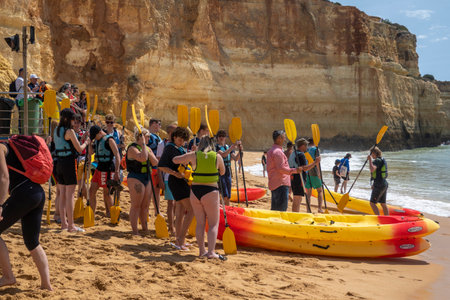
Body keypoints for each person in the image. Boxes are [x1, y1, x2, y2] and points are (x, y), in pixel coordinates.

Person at [0, 140, 53, 290]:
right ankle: (46, 285)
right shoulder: (8, 145)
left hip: (24, 193)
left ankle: (8, 276)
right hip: (37, 193)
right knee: (32, 241)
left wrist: (0, 205)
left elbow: (4, 178)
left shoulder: (0, 148)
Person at [173, 136, 226, 260]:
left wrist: (189, 154)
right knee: (213, 224)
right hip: (211, 192)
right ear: (213, 144)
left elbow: (175, 160)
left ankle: (202, 251)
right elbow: (222, 172)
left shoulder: (194, 155)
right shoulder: (217, 157)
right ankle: (211, 252)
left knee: (200, 223)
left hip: (195, 192)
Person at [53, 109, 90, 232]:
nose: (74, 121)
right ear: (68, 119)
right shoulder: (69, 131)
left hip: (59, 163)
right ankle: (71, 225)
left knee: (62, 195)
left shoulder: (56, 131)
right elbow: (79, 149)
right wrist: (86, 142)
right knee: (70, 196)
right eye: (73, 119)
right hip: (69, 163)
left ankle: (64, 223)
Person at [158, 127, 194, 250]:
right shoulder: (170, 148)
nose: (181, 142)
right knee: (191, 210)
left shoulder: (179, 148)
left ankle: (179, 240)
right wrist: (174, 173)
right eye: (179, 139)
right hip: (177, 181)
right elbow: (161, 166)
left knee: (180, 212)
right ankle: (180, 239)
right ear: (174, 137)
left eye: (183, 140)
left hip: (181, 181)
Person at [126, 127, 158, 235]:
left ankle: (145, 228)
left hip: (146, 177)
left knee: (145, 206)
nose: (149, 138)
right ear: (141, 137)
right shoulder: (132, 148)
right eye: (147, 136)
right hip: (135, 177)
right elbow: (143, 158)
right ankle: (135, 231)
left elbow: (155, 162)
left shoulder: (147, 148)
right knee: (136, 205)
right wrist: (144, 145)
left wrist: (146, 148)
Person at [88, 125, 121, 216]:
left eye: (95, 136)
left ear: (99, 132)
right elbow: (91, 152)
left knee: (107, 193)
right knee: (91, 191)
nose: (95, 139)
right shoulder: (97, 141)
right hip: (99, 167)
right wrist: (90, 142)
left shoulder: (109, 140)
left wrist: (117, 172)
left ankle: (113, 214)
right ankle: (91, 214)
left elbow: (117, 156)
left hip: (108, 168)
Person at [266, 130, 302, 211]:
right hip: (280, 184)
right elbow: (281, 168)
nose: (285, 139)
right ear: (279, 138)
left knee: (275, 210)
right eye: (284, 137)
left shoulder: (271, 151)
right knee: (281, 211)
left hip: (275, 183)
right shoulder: (278, 152)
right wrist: (295, 170)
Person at [156, 123, 177, 235]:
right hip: (168, 178)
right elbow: (159, 164)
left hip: (178, 177)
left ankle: (175, 224)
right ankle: (171, 227)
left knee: (178, 203)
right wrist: (160, 179)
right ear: (170, 133)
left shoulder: (178, 144)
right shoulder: (162, 144)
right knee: (170, 203)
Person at [288, 138, 320, 212]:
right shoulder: (301, 155)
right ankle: (295, 216)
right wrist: (315, 162)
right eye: (306, 145)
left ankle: (295, 214)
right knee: (298, 198)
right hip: (299, 178)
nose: (307, 147)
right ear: (302, 146)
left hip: (293, 177)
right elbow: (304, 168)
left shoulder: (293, 153)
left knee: (297, 197)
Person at [215, 130, 240, 206]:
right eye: (220, 136)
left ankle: (227, 208)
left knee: (228, 195)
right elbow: (223, 155)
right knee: (224, 194)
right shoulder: (216, 147)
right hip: (220, 171)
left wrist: (240, 151)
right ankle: (221, 209)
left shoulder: (227, 147)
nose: (221, 138)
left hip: (228, 171)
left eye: (223, 136)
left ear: (225, 137)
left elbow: (235, 158)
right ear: (217, 138)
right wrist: (232, 147)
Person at [147, 119, 162, 216]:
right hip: (150, 166)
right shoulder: (148, 137)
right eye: (159, 124)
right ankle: (146, 210)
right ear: (154, 124)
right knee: (149, 189)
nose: (160, 127)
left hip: (157, 167)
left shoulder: (156, 137)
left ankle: (157, 211)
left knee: (156, 189)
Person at [305, 138, 324, 213]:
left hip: (306, 172)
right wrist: (319, 173)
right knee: (319, 191)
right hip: (314, 172)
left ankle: (308, 210)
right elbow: (317, 162)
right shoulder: (316, 149)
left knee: (308, 193)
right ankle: (319, 208)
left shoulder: (305, 150)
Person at [368, 147, 389, 216]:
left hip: (379, 184)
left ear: (374, 153)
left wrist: (370, 160)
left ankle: (378, 218)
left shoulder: (377, 160)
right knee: (383, 204)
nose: (371, 155)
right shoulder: (382, 159)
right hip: (384, 183)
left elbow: (372, 169)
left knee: (372, 203)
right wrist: (374, 184)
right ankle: (387, 218)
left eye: (371, 154)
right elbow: (378, 173)